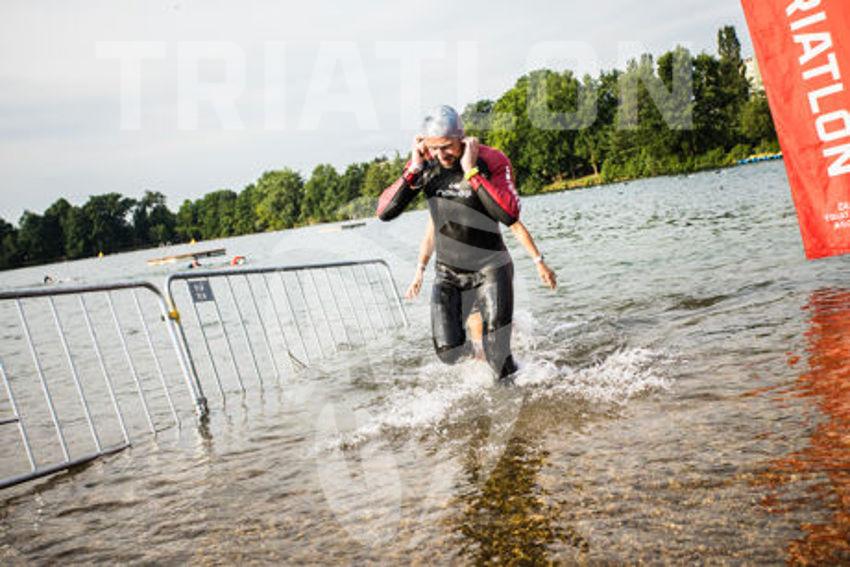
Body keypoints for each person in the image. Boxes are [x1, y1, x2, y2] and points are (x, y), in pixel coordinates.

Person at [377, 104, 554, 381]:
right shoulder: (425, 165)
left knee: (498, 356)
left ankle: (523, 387)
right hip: (448, 274)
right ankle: (483, 355)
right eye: (434, 148)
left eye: (447, 146)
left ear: (462, 138)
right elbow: (384, 212)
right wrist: (414, 167)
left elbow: (509, 214)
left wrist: (471, 171)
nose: (441, 155)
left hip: (490, 268)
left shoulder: (490, 160)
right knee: (448, 352)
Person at [405, 217, 557, 359]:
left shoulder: (483, 198)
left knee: (486, 336)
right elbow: (430, 237)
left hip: (490, 269)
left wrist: (539, 262)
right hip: (459, 276)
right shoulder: (439, 202)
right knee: (476, 339)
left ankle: (509, 354)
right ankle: (504, 344)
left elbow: (515, 225)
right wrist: (419, 272)